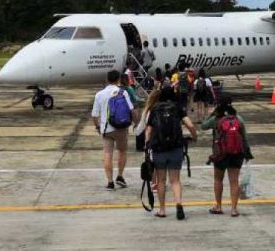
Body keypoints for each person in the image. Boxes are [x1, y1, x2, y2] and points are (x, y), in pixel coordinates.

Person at [145, 87, 198, 220]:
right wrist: (194, 136)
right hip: (176, 148)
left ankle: (162, 210)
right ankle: (179, 203)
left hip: (159, 150)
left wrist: (147, 145)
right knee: (175, 180)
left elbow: (148, 131)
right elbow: (190, 125)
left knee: (161, 181)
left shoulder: (155, 110)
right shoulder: (177, 108)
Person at [201, 95, 253, 217]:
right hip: (237, 153)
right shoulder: (238, 118)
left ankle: (218, 206)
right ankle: (234, 209)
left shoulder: (216, 119)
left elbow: (203, 126)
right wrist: (247, 153)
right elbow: (244, 137)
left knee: (218, 179)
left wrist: (211, 114)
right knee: (234, 181)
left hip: (220, 154)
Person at [92, 70, 139, 191]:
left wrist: (98, 127)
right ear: (118, 79)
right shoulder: (123, 92)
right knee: (122, 152)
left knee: (108, 154)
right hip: (122, 127)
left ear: (107, 80)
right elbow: (132, 109)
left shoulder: (99, 94)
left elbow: (94, 115)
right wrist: (136, 123)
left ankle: (110, 182)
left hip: (107, 129)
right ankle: (120, 176)